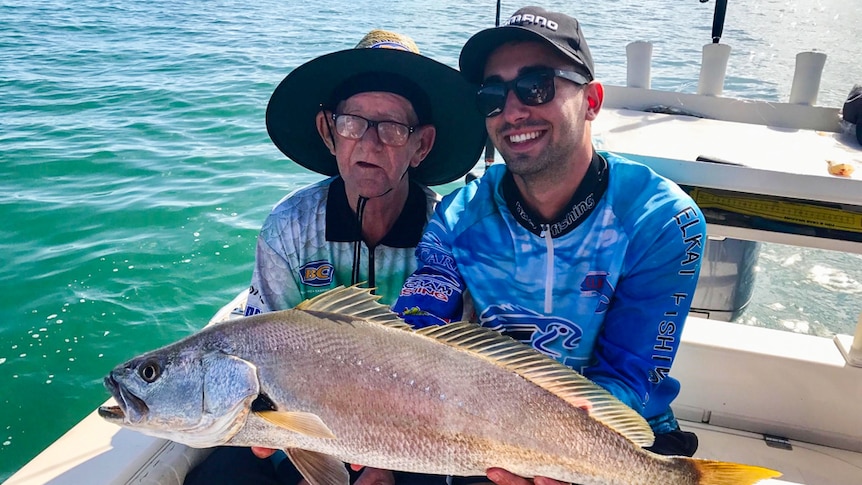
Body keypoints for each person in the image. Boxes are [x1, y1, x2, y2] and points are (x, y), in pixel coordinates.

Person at [393, 6, 707, 485]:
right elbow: (415, 330)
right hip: (490, 435)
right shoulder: (456, 219)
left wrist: (560, 442)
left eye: (536, 85)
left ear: (593, 101)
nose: (513, 111)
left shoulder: (662, 219)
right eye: (492, 95)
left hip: (624, 434)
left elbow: (631, 374)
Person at [184, 29, 486, 485]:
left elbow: (455, 373)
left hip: (415, 436)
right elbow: (265, 362)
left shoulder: (447, 232)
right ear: (329, 132)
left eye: (393, 128)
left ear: (420, 145)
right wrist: (309, 464)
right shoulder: (289, 228)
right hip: (305, 428)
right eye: (352, 123)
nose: (369, 143)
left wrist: (382, 464)